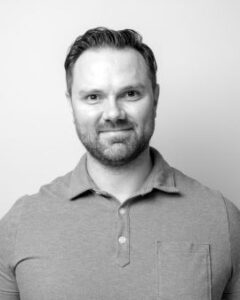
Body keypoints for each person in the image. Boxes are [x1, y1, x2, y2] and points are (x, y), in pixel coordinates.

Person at [0, 27, 239, 300]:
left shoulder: (222, 218)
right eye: (93, 97)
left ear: (155, 97)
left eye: (130, 94)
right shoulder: (20, 224)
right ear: (71, 104)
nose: (113, 113)